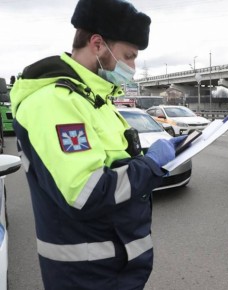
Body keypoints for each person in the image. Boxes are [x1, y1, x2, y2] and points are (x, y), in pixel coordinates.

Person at [10, 0, 186, 289]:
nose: (132, 67)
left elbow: (113, 164)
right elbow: (87, 193)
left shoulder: (94, 99)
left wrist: (157, 156)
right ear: (97, 44)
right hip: (87, 275)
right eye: (128, 56)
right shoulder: (56, 102)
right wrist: (151, 164)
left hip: (112, 267)